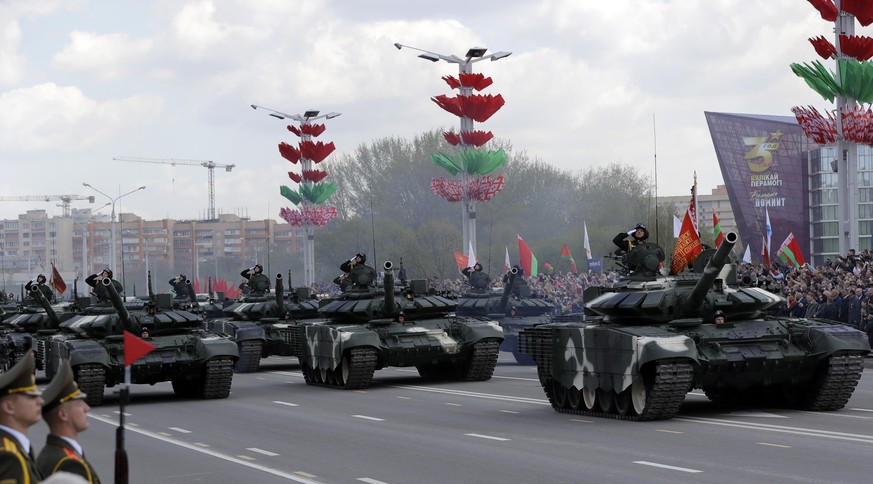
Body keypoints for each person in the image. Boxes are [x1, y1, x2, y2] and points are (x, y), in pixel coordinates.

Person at [37, 359, 100, 483]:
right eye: (79, 404)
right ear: (63, 415)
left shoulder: (50, 453)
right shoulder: (69, 463)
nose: (87, 408)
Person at [0, 350, 44, 482]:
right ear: (9, 407)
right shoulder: (9, 457)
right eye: (31, 396)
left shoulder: (17, 448)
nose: (40, 401)